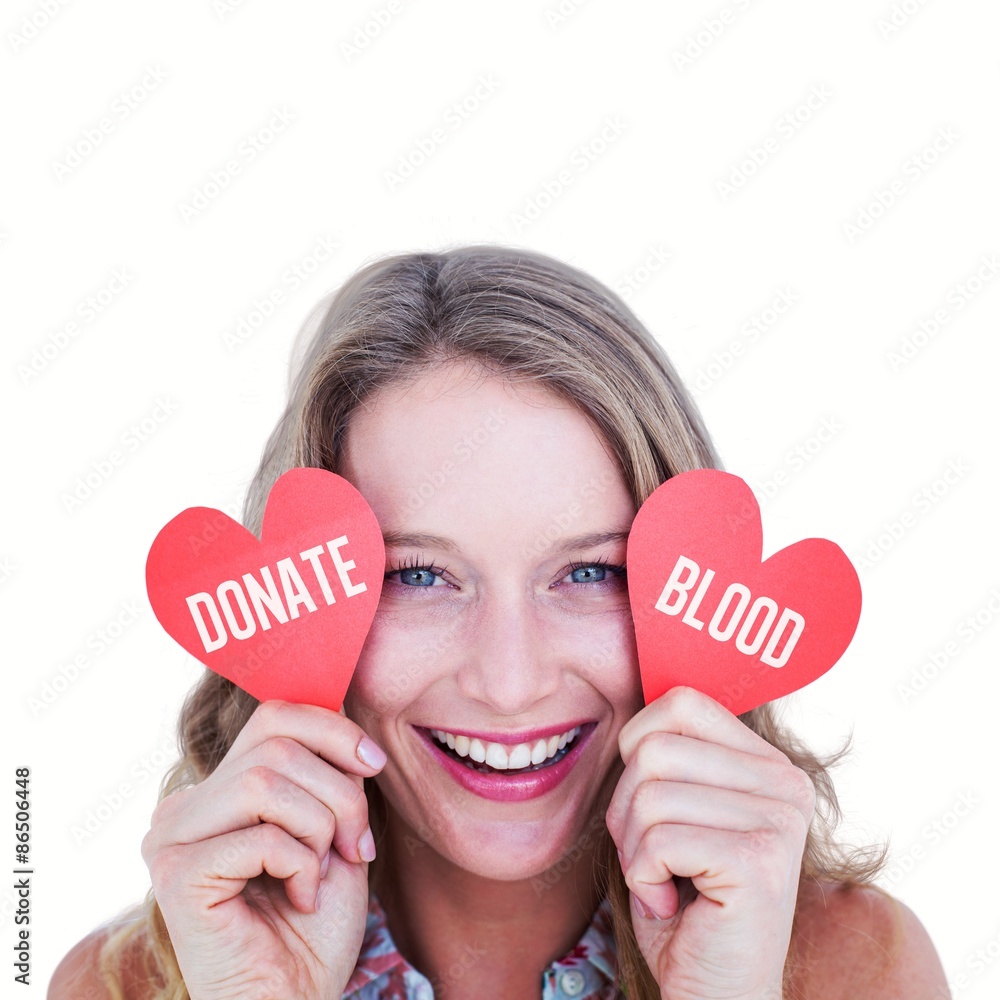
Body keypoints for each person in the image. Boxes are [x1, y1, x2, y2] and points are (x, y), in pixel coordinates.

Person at [50, 245, 948, 1000]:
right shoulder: (116, 985)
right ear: (299, 601)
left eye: (591, 571)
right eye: (420, 577)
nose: (510, 682)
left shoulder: (858, 968)